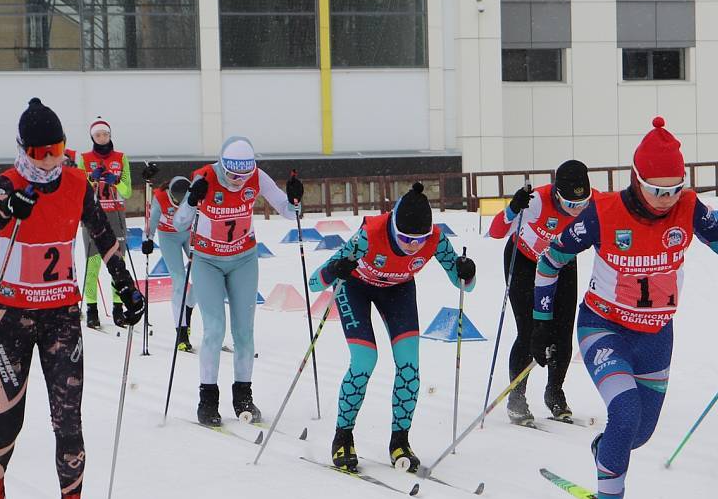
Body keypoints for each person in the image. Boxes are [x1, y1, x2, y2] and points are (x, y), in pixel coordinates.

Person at [531, 118, 718, 499]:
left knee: (637, 435)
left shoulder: (687, 206)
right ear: (636, 179)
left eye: (674, 189)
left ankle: (606, 451)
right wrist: (542, 322)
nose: (667, 200)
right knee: (624, 411)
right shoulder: (603, 212)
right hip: (603, 328)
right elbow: (550, 260)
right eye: (657, 190)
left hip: (656, 335)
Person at [0, 98, 146, 499]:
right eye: (41, 152)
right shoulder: (4, 185)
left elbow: (104, 236)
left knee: (69, 418)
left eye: (57, 148)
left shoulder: (77, 183)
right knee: (9, 415)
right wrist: (9, 210)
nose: (49, 159)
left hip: (61, 316)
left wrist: (127, 286)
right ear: (24, 149)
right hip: (11, 317)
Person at [310, 182, 475, 472]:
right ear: (393, 227)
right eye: (405, 238)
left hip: (398, 291)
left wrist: (467, 271)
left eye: (419, 239)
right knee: (364, 361)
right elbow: (314, 282)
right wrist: (334, 270)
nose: (413, 246)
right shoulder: (370, 234)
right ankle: (343, 436)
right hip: (356, 289)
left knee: (409, 366)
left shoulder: (436, 239)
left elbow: (465, 285)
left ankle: (400, 440)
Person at [171, 135, 303, 427]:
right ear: (222, 166)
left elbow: (289, 210)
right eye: (232, 176)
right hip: (207, 261)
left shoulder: (256, 177)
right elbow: (179, 223)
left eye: (243, 177)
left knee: (244, 332)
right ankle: (207, 400)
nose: (237, 182)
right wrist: (192, 199)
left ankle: (243, 395)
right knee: (215, 329)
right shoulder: (204, 177)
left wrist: (295, 199)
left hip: (243, 259)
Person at [487, 159, 594, 424]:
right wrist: (513, 208)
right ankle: (517, 395)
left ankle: (554, 392)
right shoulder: (536, 201)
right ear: (557, 194)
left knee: (563, 331)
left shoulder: (593, 204)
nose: (575, 211)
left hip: (562, 264)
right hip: (525, 261)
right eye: (569, 204)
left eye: (581, 204)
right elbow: (496, 231)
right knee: (529, 331)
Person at [79, 118, 132, 330]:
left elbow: (127, 190)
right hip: (93, 216)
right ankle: (92, 309)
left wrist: (116, 182)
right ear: (92, 137)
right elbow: (79, 188)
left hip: (115, 216)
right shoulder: (84, 158)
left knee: (117, 263)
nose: (102, 138)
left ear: (110, 135)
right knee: (93, 265)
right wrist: (92, 179)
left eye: (105, 134)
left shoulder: (121, 157)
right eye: (98, 135)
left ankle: (118, 308)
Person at [143, 170, 194, 352]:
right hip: (168, 237)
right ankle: (181, 331)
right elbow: (152, 221)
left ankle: (187, 310)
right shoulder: (161, 198)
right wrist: (147, 239)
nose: (180, 204)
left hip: (189, 235)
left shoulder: (194, 194)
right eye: (176, 200)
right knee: (180, 280)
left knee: (201, 277)